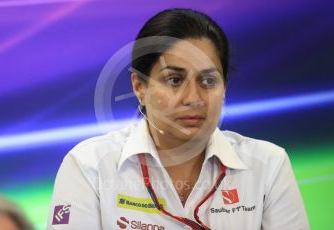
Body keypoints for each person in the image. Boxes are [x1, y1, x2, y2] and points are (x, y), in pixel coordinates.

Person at [47, 8, 309, 229]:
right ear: (139, 86)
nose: (193, 98)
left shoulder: (268, 165)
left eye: (208, 80)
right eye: (174, 80)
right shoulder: (89, 166)